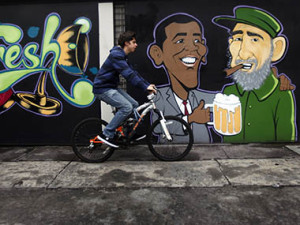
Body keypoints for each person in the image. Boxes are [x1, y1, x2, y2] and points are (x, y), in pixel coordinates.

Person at [213, 6, 296, 142]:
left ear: (276, 49)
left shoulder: (281, 94)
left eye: (255, 40)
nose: (243, 53)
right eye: (238, 39)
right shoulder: (228, 92)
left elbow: (285, 145)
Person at [148, 13, 215, 143]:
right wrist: (191, 118)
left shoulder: (209, 99)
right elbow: (157, 128)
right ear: (158, 54)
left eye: (197, 41)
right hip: (170, 152)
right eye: (180, 41)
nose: (192, 47)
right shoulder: (158, 97)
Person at [93, 31, 156, 148]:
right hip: (102, 89)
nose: (136, 45)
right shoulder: (116, 56)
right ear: (127, 43)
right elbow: (128, 75)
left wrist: (147, 85)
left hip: (111, 87)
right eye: (134, 42)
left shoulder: (122, 56)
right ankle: (106, 134)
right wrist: (145, 87)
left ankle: (125, 133)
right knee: (126, 107)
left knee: (134, 104)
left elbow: (133, 73)